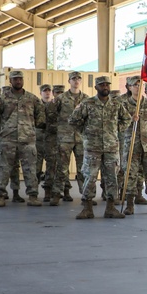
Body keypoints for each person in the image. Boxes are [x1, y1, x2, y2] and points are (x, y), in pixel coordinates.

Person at [69, 76, 132, 219]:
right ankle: (87, 208)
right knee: (90, 177)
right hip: (92, 147)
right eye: (102, 85)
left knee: (111, 178)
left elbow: (126, 119)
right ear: (96, 87)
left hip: (111, 147)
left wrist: (116, 130)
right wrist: (85, 133)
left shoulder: (116, 104)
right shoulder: (87, 103)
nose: (105, 87)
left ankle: (110, 208)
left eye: (107, 85)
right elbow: (73, 120)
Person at [0, 70, 45, 207]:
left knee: (30, 169)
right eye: (15, 79)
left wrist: (30, 128)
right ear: (10, 81)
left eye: (20, 79)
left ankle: (33, 196)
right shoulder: (2, 99)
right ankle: (0, 196)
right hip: (7, 139)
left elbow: (40, 116)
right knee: (3, 168)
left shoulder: (32, 98)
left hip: (27, 139)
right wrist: (4, 129)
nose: (18, 81)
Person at [118, 77, 147, 215]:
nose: (138, 87)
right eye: (135, 85)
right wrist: (130, 120)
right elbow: (118, 125)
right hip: (132, 146)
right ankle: (130, 204)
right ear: (130, 88)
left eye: (140, 85)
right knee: (130, 175)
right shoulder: (124, 105)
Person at [54, 71, 88, 203]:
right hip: (64, 138)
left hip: (80, 138)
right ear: (69, 81)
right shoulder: (61, 98)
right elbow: (52, 115)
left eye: (79, 78)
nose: (76, 81)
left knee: (82, 168)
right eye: (73, 78)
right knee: (62, 167)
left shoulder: (86, 99)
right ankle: (57, 193)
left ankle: (86, 195)